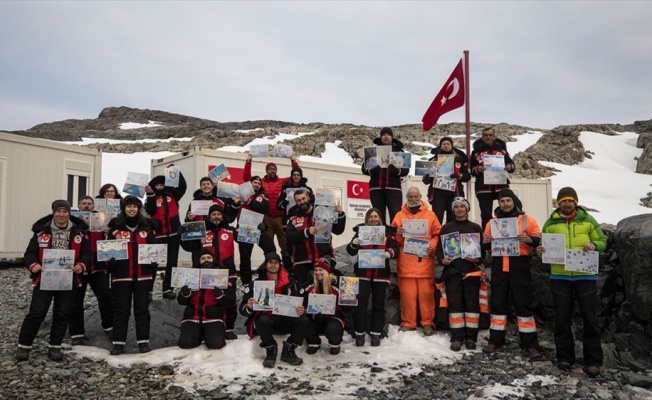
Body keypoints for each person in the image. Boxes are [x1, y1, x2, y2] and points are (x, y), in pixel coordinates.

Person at [537, 187, 606, 377]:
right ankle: (565, 358)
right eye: (563, 201)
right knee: (562, 318)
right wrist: (540, 250)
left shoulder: (588, 220)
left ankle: (593, 361)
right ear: (558, 203)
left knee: (590, 318)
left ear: (575, 202)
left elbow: (602, 241)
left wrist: (594, 245)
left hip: (585, 275)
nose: (567, 204)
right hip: (560, 276)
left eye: (570, 200)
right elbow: (542, 244)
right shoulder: (550, 223)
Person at [15, 200, 90, 362]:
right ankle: (24, 346)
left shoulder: (79, 233)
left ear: (69, 213)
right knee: (37, 312)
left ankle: (54, 346)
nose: (61, 214)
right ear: (54, 212)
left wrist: (81, 265)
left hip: (68, 279)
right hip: (45, 278)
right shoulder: (41, 232)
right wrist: (33, 265)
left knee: (62, 313)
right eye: (59, 211)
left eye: (65, 211)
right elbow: (30, 253)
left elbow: (86, 254)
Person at [482, 189, 541, 357]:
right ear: (498, 203)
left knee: (523, 304)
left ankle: (529, 344)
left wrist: (529, 240)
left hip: (519, 265)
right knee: (498, 303)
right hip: (499, 264)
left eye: (508, 200)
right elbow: (485, 245)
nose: (505, 204)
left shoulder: (527, 220)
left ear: (514, 201)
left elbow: (538, 239)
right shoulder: (491, 223)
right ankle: (495, 341)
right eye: (502, 201)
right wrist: (485, 242)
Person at [239, 252, 311, 368]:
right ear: (265, 265)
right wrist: (249, 306)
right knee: (263, 320)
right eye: (270, 262)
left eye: (276, 262)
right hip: (266, 321)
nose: (273, 265)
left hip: (285, 319)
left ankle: (289, 349)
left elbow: (303, 303)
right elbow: (242, 310)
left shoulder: (291, 283)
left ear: (280, 265)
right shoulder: (255, 284)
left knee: (303, 320)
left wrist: (301, 309)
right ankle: (271, 349)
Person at [107, 196, 158, 355]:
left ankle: (143, 343)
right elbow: (106, 255)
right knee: (122, 311)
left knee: (142, 310)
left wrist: (154, 261)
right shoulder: (115, 230)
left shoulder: (147, 229)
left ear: (139, 209)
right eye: (128, 207)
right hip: (121, 277)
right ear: (123, 209)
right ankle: (118, 344)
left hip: (143, 277)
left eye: (135, 207)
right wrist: (111, 262)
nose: (131, 209)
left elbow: (155, 251)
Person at [180, 203, 239, 339]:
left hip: (228, 272)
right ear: (209, 216)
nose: (216, 216)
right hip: (206, 273)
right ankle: (211, 328)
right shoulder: (202, 231)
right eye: (213, 214)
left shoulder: (230, 230)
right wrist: (182, 236)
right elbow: (190, 246)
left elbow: (248, 237)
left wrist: (261, 230)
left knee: (230, 302)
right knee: (211, 300)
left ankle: (229, 328)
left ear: (222, 215)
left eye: (218, 214)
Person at [435, 197, 484, 351]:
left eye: (462, 206)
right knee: (455, 305)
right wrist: (443, 260)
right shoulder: (446, 228)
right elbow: (439, 249)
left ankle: (471, 338)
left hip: (471, 271)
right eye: (456, 207)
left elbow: (482, 251)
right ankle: (456, 338)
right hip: (452, 272)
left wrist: (477, 258)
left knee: (472, 305)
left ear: (467, 209)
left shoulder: (476, 227)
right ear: (453, 209)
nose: (459, 209)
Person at [391, 187, 442, 336]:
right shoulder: (399, 216)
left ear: (420, 197)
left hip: (424, 263)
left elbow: (437, 234)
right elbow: (392, 239)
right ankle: (408, 323)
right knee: (407, 295)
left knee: (426, 296)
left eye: (416, 196)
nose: (413, 199)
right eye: (410, 196)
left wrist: (432, 247)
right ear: (406, 198)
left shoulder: (431, 215)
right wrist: (398, 234)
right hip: (406, 264)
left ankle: (427, 323)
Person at [346, 208, 398, 347]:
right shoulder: (360, 231)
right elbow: (350, 251)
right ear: (367, 219)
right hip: (363, 274)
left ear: (380, 218)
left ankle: (376, 333)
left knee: (378, 305)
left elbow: (395, 248)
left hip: (381, 274)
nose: (373, 219)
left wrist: (389, 253)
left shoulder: (387, 233)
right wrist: (354, 243)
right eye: (370, 217)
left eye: (376, 216)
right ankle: (360, 334)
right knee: (361, 304)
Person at [68, 195, 115, 345]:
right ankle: (76, 334)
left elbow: (109, 242)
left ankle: (109, 327)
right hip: (78, 268)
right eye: (84, 204)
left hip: (98, 267)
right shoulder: (71, 223)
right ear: (78, 206)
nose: (87, 206)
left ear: (94, 206)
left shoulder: (100, 220)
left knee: (105, 297)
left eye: (89, 204)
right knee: (75, 301)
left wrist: (109, 233)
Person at [243, 153, 299, 267]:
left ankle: (288, 270)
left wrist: (293, 161)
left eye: (274, 169)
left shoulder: (282, 182)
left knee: (285, 245)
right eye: (269, 169)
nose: (272, 171)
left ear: (276, 170)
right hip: (266, 218)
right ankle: (269, 268)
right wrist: (248, 162)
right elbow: (247, 179)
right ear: (266, 170)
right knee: (268, 246)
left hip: (280, 218)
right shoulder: (261, 182)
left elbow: (295, 176)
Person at [286, 189, 346, 287]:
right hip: (302, 262)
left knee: (326, 291)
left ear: (308, 197)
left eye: (303, 198)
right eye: (299, 200)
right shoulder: (293, 219)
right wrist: (306, 232)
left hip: (324, 259)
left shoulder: (323, 213)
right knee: (305, 293)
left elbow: (338, 231)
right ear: (295, 202)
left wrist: (340, 215)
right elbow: (289, 238)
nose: (302, 202)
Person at [177, 250, 235, 350]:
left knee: (216, 344)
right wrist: (184, 294)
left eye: (209, 257)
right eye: (203, 258)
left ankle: (210, 334)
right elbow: (181, 302)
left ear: (213, 260)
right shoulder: (191, 275)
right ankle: (198, 335)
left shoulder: (222, 276)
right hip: (192, 317)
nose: (206, 260)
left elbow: (231, 300)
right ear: (199, 261)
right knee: (185, 343)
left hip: (213, 317)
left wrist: (220, 296)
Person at [145, 164, 187, 299]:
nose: (159, 187)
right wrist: (150, 195)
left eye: (162, 184)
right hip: (157, 236)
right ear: (153, 186)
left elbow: (182, 187)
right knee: (152, 264)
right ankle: (149, 291)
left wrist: (176, 172)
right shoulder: (150, 198)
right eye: (157, 185)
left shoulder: (173, 195)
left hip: (174, 235)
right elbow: (150, 211)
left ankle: (168, 289)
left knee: (172, 263)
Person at [231, 175, 277, 285]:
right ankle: (246, 283)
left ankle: (264, 274)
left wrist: (248, 201)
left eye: (258, 183)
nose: (256, 184)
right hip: (245, 230)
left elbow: (264, 208)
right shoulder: (239, 195)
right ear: (249, 184)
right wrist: (235, 204)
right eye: (254, 182)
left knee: (271, 250)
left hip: (259, 229)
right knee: (245, 258)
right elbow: (232, 213)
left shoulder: (262, 195)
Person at [470, 127, 516, 230]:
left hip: (501, 185)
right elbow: (471, 170)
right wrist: (478, 169)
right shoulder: (476, 152)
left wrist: (509, 166)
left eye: (490, 135)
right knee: (486, 215)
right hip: (483, 188)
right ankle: (487, 238)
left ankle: (509, 234)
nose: (488, 137)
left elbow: (511, 165)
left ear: (494, 137)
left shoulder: (502, 151)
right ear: (482, 137)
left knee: (513, 207)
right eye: (485, 135)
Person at [362, 127, 409, 225]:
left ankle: (394, 239)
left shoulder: (399, 152)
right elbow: (364, 169)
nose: (386, 137)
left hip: (394, 189)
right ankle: (380, 238)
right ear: (380, 137)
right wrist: (373, 170)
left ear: (392, 137)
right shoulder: (372, 151)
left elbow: (406, 171)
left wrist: (396, 170)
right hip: (376, 189)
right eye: (384, 135)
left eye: (388, 135)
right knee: (378, 216)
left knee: (395, 215)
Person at [422, 137, 471, 224]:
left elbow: (467, 176)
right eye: (443, 144)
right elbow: (425, 181)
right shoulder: (433, 160)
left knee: (452, 219)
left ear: (452, 146)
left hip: (454, 193)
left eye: (448, 144)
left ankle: (451, 236)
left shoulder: (459, 160)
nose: (446, 146)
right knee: (437, 218)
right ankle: (437, 236)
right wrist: (432, 174)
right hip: (438, 193)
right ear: (440, 146)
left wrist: (458, 175)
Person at [303, 258, 346, 355]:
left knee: (333, 328)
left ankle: (335, 343)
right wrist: (308, 311)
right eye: (316, 270)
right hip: (315, 317)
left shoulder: (338, 285)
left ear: (327, 271)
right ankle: (313, 342)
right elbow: (303, 303)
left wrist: (353, 297)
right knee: (304, 321)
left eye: (321, 270)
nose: (318, 272)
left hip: (333, 317)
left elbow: (347, 306)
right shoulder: (309, 286)